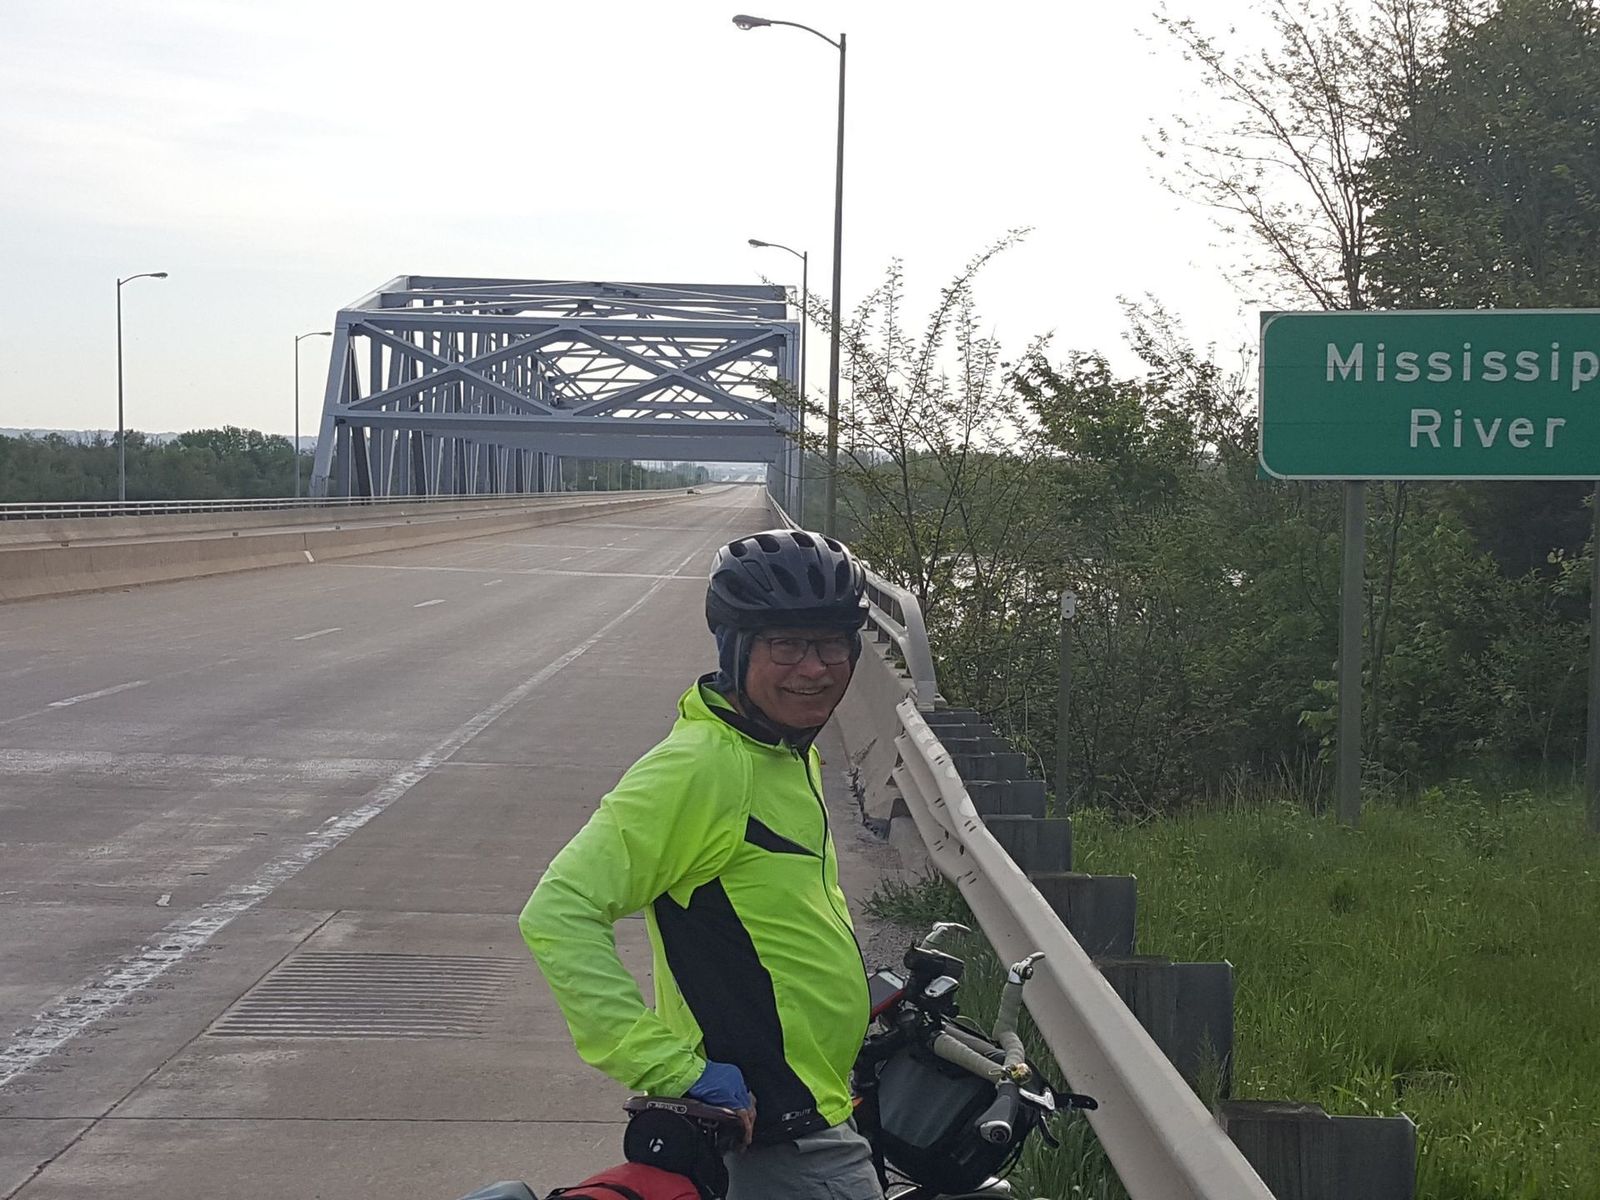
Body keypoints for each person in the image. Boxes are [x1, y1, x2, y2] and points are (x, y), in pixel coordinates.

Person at [520, 527, 883, 1200]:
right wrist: (670, 1069)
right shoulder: (702, 766)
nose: (815, 668)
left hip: (818, 1101)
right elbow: (560, 910)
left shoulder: (783, 750)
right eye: (786, 645)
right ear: (735, 648)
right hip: (776, 1132)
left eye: (833, 643)